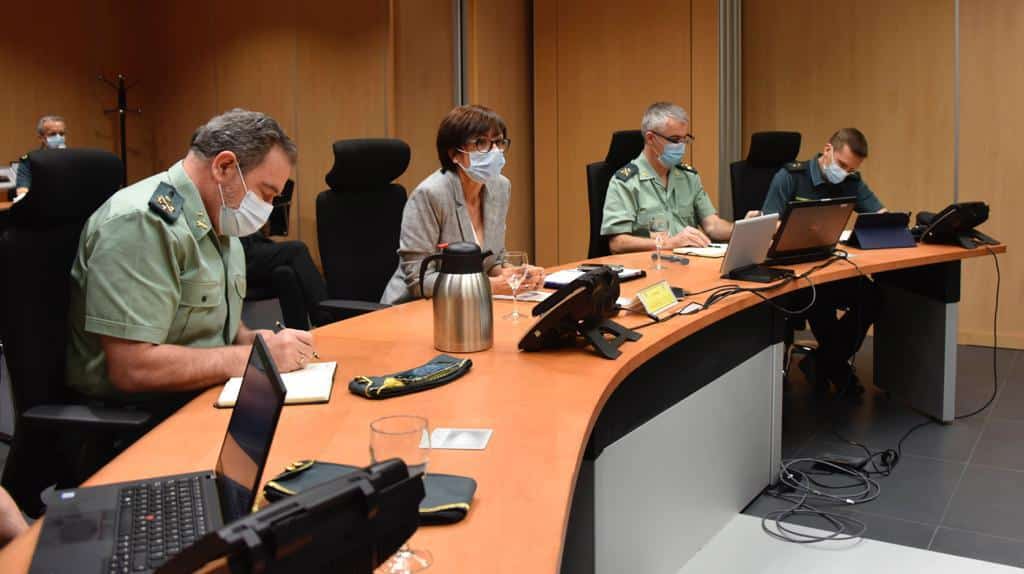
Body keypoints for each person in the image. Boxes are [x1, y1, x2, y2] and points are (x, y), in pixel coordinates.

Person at [66, 109, 314, 409]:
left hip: (201, 392)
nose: (267, 209)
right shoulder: (143, 223)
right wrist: (252, 359)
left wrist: (249, 340)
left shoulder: (218, 217)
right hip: (138, 417)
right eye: (265, 193)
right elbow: (132, 368)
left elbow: (208, 321)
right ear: (224, 167)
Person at [762, 128, 885, 394]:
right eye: (842, 165)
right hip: (790, 276)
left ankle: (823, 361)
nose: (845, 172)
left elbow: (879, 216)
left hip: (830, 269)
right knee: (820, 301)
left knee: (873, 297)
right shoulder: (790, 177)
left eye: (851, 169)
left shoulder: (852, 180)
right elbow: (768, 224)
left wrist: (890, 222)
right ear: (827, 149)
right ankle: (836, 367)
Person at [381, 104, 543, 304]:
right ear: (454, 154)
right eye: (481, 143)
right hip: (413, 309)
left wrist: (514, 274)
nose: (493, 151)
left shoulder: (500, 187)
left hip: (470, 305)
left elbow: (491, 261)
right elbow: (420, 282)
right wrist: (490, 286)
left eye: (499, 142)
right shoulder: (430, 194)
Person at [601, 102, 753, 254]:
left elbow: (712, 225)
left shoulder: (689, 177)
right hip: (650, 266)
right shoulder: (626, 181)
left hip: (690, 264)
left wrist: (742, 229)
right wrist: (669, 243)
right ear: (650, 138)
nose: (681, 146)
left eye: (684, 139)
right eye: (674, 140)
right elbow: (618, 243)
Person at [240, 232, 332, 328]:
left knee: (285, 273)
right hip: (240, 255)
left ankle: (299, 334)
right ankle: (326, 320)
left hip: (253, 246)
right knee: (298, 249)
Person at [15, 115, 67, 197]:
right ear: (41, 138)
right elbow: (22, 191)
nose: (59, 137)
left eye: (62, 133)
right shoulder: (30, 160)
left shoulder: (75, 158)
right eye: (52, 134)